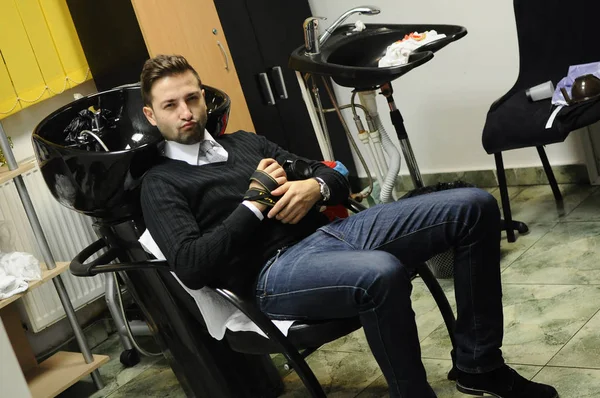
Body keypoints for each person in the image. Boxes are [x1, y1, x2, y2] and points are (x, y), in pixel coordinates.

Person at [139, 54, 558, 398]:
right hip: (273, 275)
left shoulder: (246, 143)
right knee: (381, 272)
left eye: (192, 99)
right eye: (170, 105)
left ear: (204, 99)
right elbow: (192, 265)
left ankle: (479, 365)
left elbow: (337, 176)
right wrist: (254, 203)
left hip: (331, 234)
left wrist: (316, 188)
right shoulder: (160, 183)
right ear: (151, 115)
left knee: (474, 206)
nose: (186, 113)